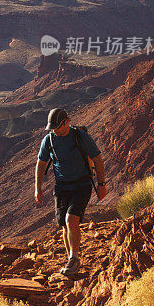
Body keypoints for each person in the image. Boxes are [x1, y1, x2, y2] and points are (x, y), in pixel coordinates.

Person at [34, 107, 106, 276]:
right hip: (61, 187)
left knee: (71, 219)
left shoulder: (80, 137)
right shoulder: (49, 140)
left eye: (57, 127)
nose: (54, 131)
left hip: (82, 185)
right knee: (65, 225)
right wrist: (38, 188)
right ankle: (71, 261)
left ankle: (74, 258)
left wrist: (101, 184)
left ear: (66, 122)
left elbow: (97, 159)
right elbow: (41, 164)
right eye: (52, 128)